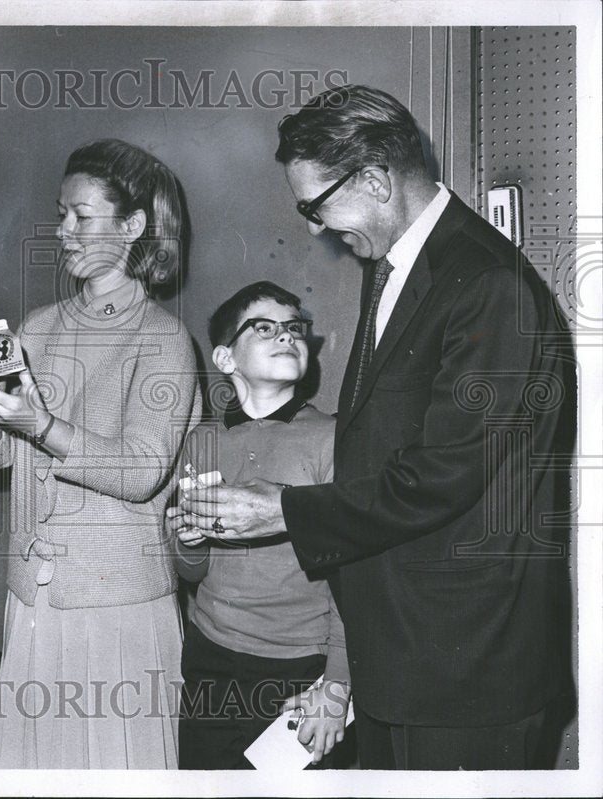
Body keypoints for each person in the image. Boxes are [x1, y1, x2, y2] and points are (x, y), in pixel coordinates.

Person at [176, 85, 568, 770]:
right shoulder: (396, 269)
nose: (315, 230)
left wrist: (286, 509)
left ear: (377, 180)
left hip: (464, 672)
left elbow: (443, 474)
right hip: (402, 659)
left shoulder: (486, 284)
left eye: (316, 207)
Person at [0, 139, 201, 769]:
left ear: (133, 227)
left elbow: (141, 472)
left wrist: (40, 423)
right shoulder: (35, 327)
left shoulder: (165, 341)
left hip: (117, 602)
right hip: (34, 600)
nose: (63, 229)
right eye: (61, 213)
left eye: (80, 216)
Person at [170, 280, 350, 770]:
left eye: (294, 328)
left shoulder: (332, 440)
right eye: (265, 328)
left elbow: (354, 577)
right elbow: (191, 573)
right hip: (209, 655)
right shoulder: (202, 441)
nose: (287, 336)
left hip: (299, 667)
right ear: (226, 359)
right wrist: (187, 541)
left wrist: (337, 683)